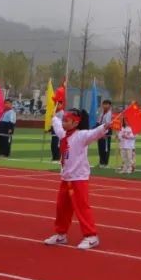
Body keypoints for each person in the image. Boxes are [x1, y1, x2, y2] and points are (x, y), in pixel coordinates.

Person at [44, 107, 110, 250]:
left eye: (66, 121)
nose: (63, 123)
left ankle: (91, 236)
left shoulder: (81, 136)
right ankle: (61, 234)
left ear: (75, 123)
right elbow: (57, 125)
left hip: (79, 178)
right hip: (66, 178)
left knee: (81, 207)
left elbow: (94, 133)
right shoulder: (63, 135)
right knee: (62, 208)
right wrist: (54, 116)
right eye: (63, 120)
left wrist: (104, 126)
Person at [97, 100, 113, 166]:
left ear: (110, 105)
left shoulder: (110, 114)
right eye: (104, 104)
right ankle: (101, 161)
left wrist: (105, 133)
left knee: (105, 148)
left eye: (106, 104)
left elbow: (108, 124)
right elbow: (99, 122)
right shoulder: (102, 113)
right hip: (100, 131)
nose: (105, 106)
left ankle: (105, 162)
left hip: (106, 132)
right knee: (100, 146)